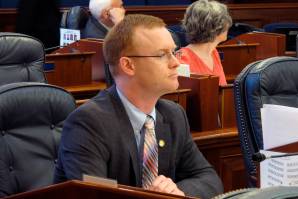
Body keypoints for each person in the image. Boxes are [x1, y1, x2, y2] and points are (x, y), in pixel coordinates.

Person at [54, 14, 223, 199]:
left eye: (174, 52)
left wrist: (177, 193)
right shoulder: (88, 123)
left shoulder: (173, 114)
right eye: (162, 55)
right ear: (128, 65)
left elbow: (208, 178)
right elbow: (95, 195)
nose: (176, 63)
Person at [177, 0, 232, 86]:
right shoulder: (181, 59)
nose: (229, 26)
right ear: (215, 27)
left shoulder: (213, 52)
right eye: (226, 22)